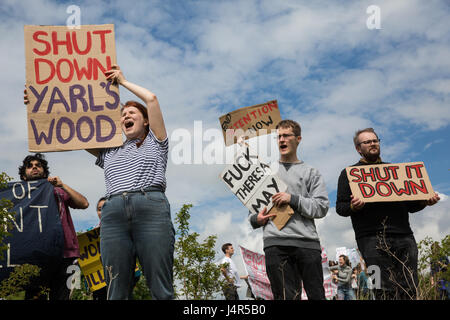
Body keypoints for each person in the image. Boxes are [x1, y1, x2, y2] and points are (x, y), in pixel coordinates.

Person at [91, 65, 174, 300]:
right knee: (115, 288)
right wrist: (40, 105)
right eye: (122, 115)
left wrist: (123, 82)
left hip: (150, 207)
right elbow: (72, 131)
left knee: (160, 286)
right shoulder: (108, 150)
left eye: (131, 113)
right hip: (113, 213)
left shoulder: (156, 142)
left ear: (146, 121)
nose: (125, 116)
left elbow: (152, 99)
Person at [336, 128, 440, 300]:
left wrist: (424, 202)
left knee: (409, 286)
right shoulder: (348, 174)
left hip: (404, 237)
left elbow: (411, 206)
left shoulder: (395, 171)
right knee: (381, 288)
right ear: (358, 148)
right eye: (367, 142)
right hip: (369, 240)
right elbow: (341, 208)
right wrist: (354, 207)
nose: (372, 144)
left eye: (375, 140)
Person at [249, 120, 329, 300]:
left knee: (317, 296)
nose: (281, 140)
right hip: (276, 245)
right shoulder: (266, 171)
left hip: (307, 243)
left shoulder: (311, 172)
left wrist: (292, 199)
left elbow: (322, 207)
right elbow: (252, 211)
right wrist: (257, 219)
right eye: (278, 137)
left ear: (298, 139)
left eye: (286, 136)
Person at [18, 153, 89, 299]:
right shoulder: (20, 198)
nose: (34, 168)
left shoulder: (58, 191)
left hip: (67, 257)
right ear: (24, 176)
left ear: (45, 172)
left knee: (68, 296)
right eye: (30, 166)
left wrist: (62, 185)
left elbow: (84, 203)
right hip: (35, 258)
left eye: (38, 165)